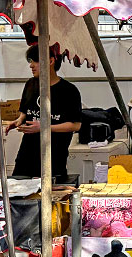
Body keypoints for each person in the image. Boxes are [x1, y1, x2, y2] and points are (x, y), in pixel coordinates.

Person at [6, 44, 82, 179]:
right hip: (27, 153)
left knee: (51, 195)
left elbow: (75, 125)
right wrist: (18, 121)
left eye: (35, 61)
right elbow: (25, 111)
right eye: (30, 61)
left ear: (51, 61)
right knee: (19, 190)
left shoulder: (69, 91)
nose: (31, 65)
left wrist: (44, 128)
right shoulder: (30, 84)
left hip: (53, 155)